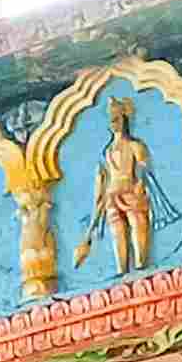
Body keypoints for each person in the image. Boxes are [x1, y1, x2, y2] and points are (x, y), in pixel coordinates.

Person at [73, 97, 156, 273]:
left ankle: (141, 265)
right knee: (117, 232)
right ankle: (122, 270)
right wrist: (99, 200)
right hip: (112, 194)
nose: (113, 123)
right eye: (111, 120)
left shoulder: (134, 145)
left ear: (124, 119)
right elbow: (104, 179)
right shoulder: (107, 151)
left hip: (131, 191)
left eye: (116, 119)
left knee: (137, 223)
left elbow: (142, 166)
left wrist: (140, 184)